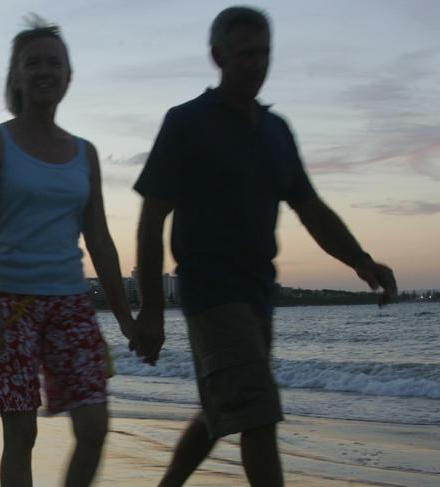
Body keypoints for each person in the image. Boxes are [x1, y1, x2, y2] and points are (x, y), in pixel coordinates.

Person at [132, 6, 397, 487]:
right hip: (209, 290)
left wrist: (359, 259)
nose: (257, 63)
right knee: (256, 413)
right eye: (245, 53)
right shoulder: (186, 122)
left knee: (224, 406)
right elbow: (152, 220)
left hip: (258, 291)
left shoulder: (276, 130)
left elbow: (310, 208)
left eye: (264, 53)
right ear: (218, 55)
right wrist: (151, 309)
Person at [0, 18, 135, 487]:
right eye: (33, 63)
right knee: (21, 435)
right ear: (16, 76)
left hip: (71, 302)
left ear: (69, 76)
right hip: (7, 302)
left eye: (54, 63)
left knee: (95, 426)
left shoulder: (85, 152)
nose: (45, 71)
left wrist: (126, 318)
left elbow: (99, 239)